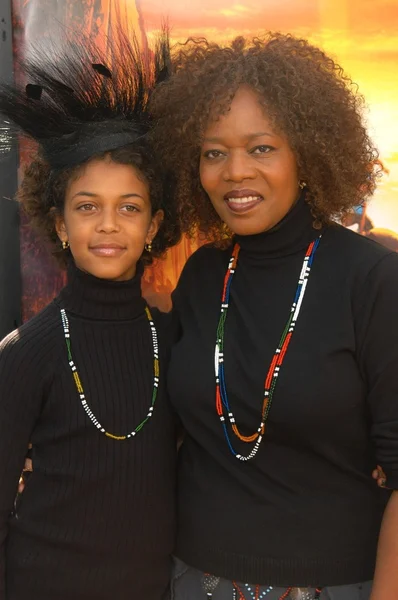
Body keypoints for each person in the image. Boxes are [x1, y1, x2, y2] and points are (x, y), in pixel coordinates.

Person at [150, 34, 398, 599]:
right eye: (214, 152)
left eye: (261, 148)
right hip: (193, 579)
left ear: (306, 153)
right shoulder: (203, 276)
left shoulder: (373, 281)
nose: (235, 172)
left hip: (334, 585)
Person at [0, 29, 179, 600]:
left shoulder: (173, 339)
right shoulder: (30, 351)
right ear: (58, 223)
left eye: (129, 208)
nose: (108, 225)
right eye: (86, 207)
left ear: (152, 227)